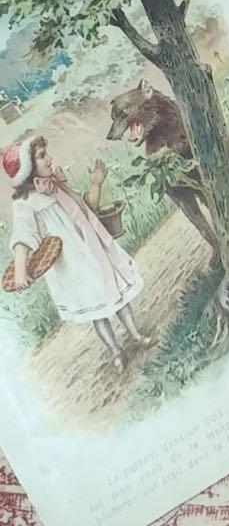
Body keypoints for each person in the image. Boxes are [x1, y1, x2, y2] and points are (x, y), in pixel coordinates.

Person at [4, 135, 149, 370]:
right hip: (73, 263)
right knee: (97, 308)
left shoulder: (57, 186)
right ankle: (115, 350)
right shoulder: (26, 203)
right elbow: (23, 238)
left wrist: (96, 184)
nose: (49, 159)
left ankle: (136, 335)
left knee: (117, 292)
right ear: (28, 169)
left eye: (46, 154)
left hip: (95, 249)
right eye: (42, 156)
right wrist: (21, 271)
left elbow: (87, 207)